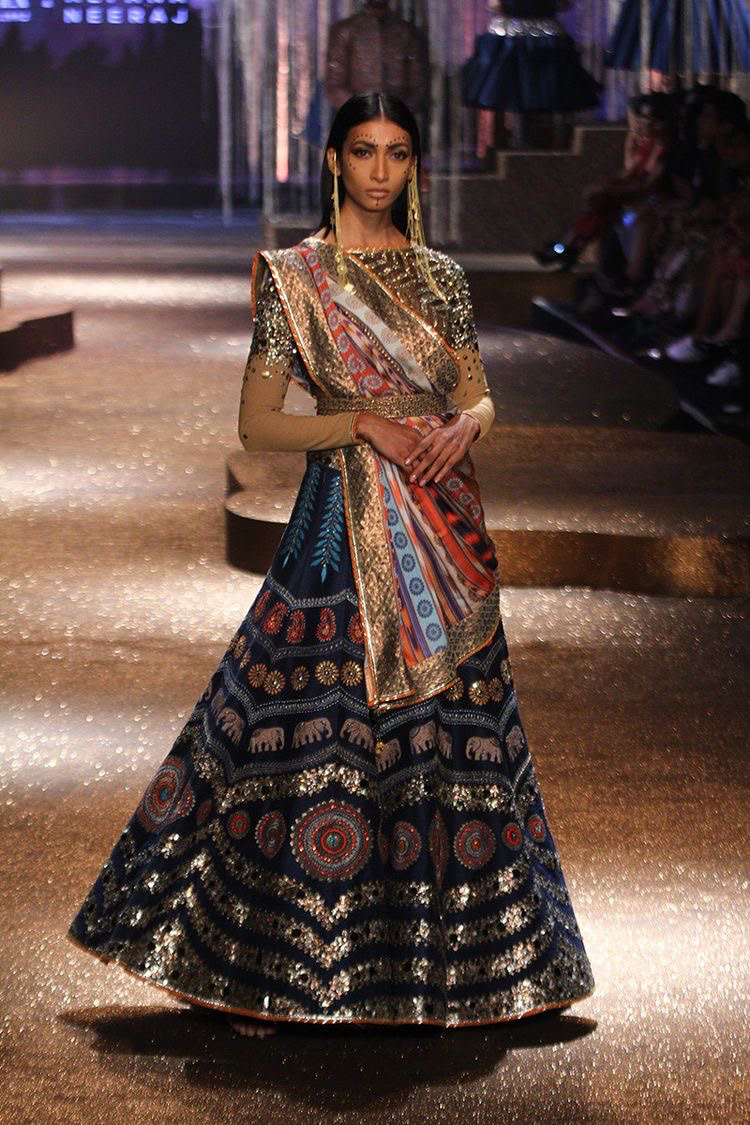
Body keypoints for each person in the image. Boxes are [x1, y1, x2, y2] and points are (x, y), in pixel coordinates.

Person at [67, 92, 596, 1038]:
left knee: (452, 730)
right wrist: (362, 424)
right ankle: (266, 968)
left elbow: (480, 394)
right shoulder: (296, 277)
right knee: (311, 723)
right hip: (340, 527)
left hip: (443, 520)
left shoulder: (440, 276)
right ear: (333, 161)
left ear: (415, 166)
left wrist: (463, 426)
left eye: (398, 153)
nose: (380, 171)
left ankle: (467, 968)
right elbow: (258, 423)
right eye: (363, 151)